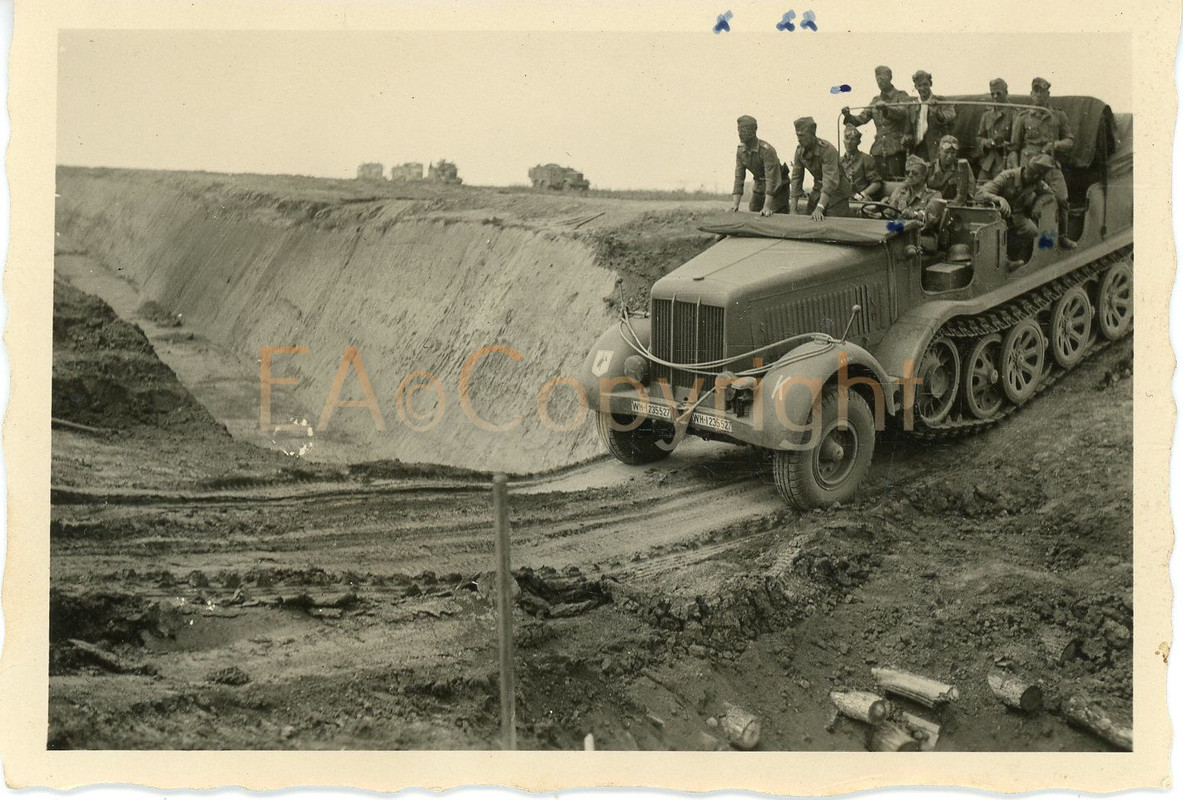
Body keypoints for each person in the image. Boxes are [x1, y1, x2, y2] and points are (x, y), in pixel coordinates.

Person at [1012, 77, 1076, 248]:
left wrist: (1056, 145)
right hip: (1029, 167)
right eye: (1035, 91)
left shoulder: (1058, 116)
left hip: (1050, 166)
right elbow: (1014, 147)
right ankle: (1026, 245)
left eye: (1042, 91)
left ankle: (1062, 236)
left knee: (1062, 198)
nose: (1038, 95)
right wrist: (1017, 171)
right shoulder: (1023, 117)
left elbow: (1070, 140)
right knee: (1025, 203)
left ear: (1048, 94)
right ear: (1031, 94)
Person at [975, 154, 1059, 262]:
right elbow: (979, 194)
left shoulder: (1035, 182)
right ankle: (1004, 261)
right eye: (1029, 174)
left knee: (1031, 231)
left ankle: (1017, 260)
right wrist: (999, 199)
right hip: (999, 215)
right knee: (998, 233)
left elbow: (1049, 195)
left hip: (1016, 215)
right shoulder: (1007, 176)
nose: (1030, 178)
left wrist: (1039, 204)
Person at [841, 66, 912, 179]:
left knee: (897, 182)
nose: (879, 82)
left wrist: (886, 108)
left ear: (890, 78)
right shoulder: (875, 101)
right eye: (877, 79)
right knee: (878, 181)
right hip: (878, 150)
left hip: (896, 149)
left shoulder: (901, 96)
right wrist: (848, 115)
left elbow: (903, 113)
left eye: (882, 79)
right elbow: (861, 119)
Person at [789, 116, 853, 220]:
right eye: (797, 135)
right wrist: (793, 209)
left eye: (802, 135)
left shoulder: (827, 150)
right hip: (818, 190)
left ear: (812, 134)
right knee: (809, 220)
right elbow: (796, 178)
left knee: (832, 224)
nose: (799, 139)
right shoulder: (799, 151)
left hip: (837, 192)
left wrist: (819, 208)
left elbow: (830, 181)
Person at [731, 115, 789, 216]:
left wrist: (766, 206)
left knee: (772, 217)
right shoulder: (741, 151)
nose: (740, 134)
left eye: (744, 130)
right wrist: (735, 205)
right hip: (759, 185)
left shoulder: (767, 150)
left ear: (753, 131)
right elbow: (739, 179)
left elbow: (772, 180)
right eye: (739, 130)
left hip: (778, 187)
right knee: (753, 211)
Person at [908, 70, 956, 161]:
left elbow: (950, 116)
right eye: (919, 85)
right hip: (918, 149)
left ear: (931, 84)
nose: (922, 88)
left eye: (925, 84)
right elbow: (909, 129)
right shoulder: (912, 105)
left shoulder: (941, 101)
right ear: (915, 87)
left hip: (937, 149)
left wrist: (936, 112)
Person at [976, 77, 1019, 179]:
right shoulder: (987, 114)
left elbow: (1017, 142)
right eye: (992, 94)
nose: (995, 96)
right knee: (979, 189)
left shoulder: (1014, 113)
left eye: (998, 93)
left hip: (1005, 160)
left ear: (1006, 93)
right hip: (988, 162)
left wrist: (1003, 144)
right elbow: (979, 137)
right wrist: (986, 142)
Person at [888, 155, 942, 231]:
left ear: (923, 176)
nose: (910, 175)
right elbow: (890, 212)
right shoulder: (900, 192)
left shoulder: (934, 195)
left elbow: (931, 219)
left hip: (921, 235)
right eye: (907, 172)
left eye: (915, 173)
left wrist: (914, 215)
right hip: (897, 231)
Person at [927, 135, 976, 205]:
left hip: (955, 207)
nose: (949, 156)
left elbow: (970, 191)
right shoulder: (930, 168)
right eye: (946, 152)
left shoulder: (962, 167)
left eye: (953, 153)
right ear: (939, 151)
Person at [841, 124, 884, 201]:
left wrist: (862, 194)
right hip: (843, 199)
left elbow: (877, 183)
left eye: (853, 139)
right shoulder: (839, 161)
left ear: (858, 142)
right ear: (843, 140)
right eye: (847, 138)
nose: (849, 142)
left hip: (860, 199)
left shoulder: (866, 159)